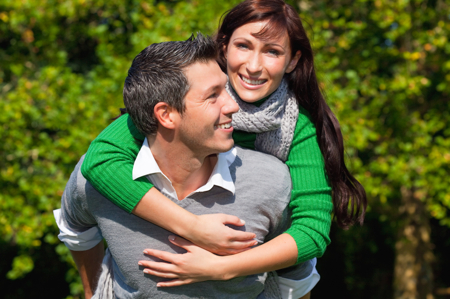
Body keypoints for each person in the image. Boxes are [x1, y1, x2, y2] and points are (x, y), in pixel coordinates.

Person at [81, 0, 366, 292]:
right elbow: (99, 160)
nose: (254, 66)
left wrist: (222, 268)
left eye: (272, 52)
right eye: (244, 46)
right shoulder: (184, 95)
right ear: (224, 47)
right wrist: (194, 228)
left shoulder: (296, 127)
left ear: (292, 61)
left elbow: (312, 230)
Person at [55, 34, 319, 298]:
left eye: (225, 90)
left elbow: (297, 279)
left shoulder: (270, 181)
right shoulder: (96, 180)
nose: (232, 105)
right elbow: (75, 230)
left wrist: (225, 267)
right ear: (166, 115)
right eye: (213, 96)